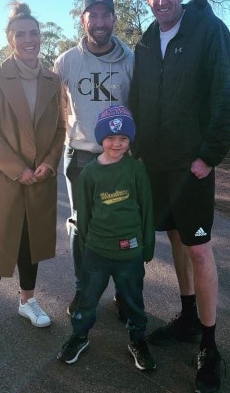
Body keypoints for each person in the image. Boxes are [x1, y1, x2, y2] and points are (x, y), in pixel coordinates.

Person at [129, 0, 230, 392]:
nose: (162, 1)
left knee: (198, 249)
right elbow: (139, 95)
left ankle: (209, 346)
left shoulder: (208, 30)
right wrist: (136, 150)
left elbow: (225, 93)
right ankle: (188, 317)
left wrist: (209, 156)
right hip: (154, 164)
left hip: (191, 166)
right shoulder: (146, 39)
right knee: (173, 237)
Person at [0, 0, 66, 357]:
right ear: (10, 39)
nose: (29, 40)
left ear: (41, 37)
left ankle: (27, 301)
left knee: (30, 242)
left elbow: (61, 128)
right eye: (21, 34)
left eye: (34, 33)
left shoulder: (54, 80)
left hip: (40, 177)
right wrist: (16, 168)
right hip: (5, 177)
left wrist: (50, 163)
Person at [56, 106, 156, 371]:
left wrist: (147, 247)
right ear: (101, 139)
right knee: (87, 299)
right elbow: (84, 216)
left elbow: (147, 209)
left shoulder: (136, 170)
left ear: (129, 141)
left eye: (123, 138)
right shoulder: (89, 173)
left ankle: (137, 340)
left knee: (133, 300)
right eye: (111, 138)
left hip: (130, 253)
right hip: (97, 253)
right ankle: (79, 336)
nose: (117, 143)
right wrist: (88, 248)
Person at [53, 0, 134, 316]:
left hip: (120, 158)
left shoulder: (130, 59)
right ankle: (84, 291)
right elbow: (52, 103)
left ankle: (123, 295)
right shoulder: (67, 61)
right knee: (82, 226)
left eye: (105, 15)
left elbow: (139, 106)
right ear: (83, 19)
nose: (99, 22)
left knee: (119, 227)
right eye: (93, 15)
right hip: (82, 157)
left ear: (114, 20)